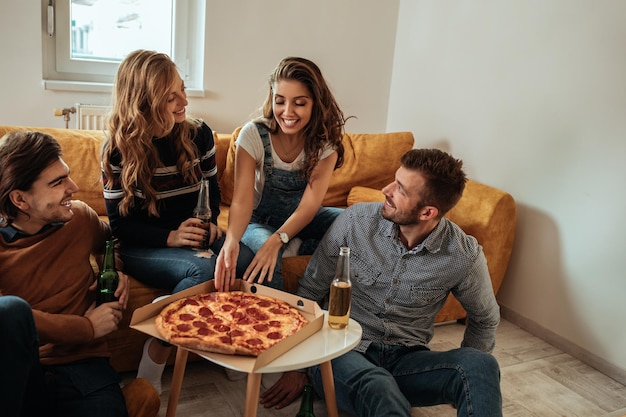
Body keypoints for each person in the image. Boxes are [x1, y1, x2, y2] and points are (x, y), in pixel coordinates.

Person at [262, 149, 503, 416]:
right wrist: (300, 366)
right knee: (378, 386)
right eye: (394, 180)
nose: (385, 190)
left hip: (407, 362)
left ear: (427, 212)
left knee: (480, 365)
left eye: (400, 189)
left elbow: (485, 318)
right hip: (341, 352)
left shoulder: (462, 255)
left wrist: (466, 390)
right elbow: (311, 289)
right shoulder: (355, 222)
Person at [101, 49, 254, 394]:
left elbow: (212, 188)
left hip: (194, 234)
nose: (184, 100)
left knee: (243, 259)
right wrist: (170, 236)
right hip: (146, 244)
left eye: (183, 89)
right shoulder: (116, 149)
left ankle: (222, 346)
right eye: (171, 96)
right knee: (202, 270)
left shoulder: (199, 134)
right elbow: (120, 226)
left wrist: (213, 222)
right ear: (144, 101)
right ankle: (155, 351)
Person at [0, 131, 153, 417]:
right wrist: (86, 327)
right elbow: (10, 320)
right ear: (20, 199)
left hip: (85, 367)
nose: (74, 186)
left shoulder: (81, 218)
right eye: (58, 182)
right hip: (22, 372)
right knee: (10, 310)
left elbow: (114, 243)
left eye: (67, 175)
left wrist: (115, 271)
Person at [215, 56, 348, 292]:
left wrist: (279, 239)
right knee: (266, 252)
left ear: (315, 103)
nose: (287, 112)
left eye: (299, 103)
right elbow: (242, 200)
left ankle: (301, 256)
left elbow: (309, 206)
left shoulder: (326, 145)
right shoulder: (253, 135)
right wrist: (232, 240)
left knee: (356, 223)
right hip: (259, 222)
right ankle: (275, 322)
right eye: (280, 101)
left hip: (304, 219)